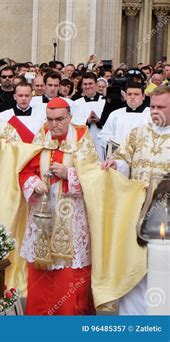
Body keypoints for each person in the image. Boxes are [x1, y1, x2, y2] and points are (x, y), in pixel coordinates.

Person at [19, 97, 98, 315]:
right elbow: (25, 169)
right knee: (41, 268)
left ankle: (68, 316)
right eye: (50, 119)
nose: (54, 125)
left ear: (70, 117)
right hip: (43, 212)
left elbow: (95, 177)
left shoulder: (82, 137)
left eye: (60, 119)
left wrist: (69, 174)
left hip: (71, 212)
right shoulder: (41, 135)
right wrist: (34, 184)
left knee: (69, 270)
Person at [101, 85, 170, 315]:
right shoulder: (138, 133)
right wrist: (115, 164)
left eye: (162, 107)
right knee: (135, 270)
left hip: (166, 217)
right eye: (152, 106)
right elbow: (123, 160)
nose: (155, 111)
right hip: (138, 215)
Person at [98, 82, 151, 158]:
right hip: (119, 157)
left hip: (142, 156)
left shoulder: (151, 114)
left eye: (136, 94)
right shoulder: (115, 114)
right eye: (129, 94)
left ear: (143, 96)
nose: (132, 97)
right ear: (125, 96)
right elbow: (103, 135)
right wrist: (115, 143)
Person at [71, 72, 106, 159]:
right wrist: (87, 121)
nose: (88, 86)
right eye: (85, 84)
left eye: (90, 83)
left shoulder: (105, 101)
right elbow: (73, 123)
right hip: (84, 142)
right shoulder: (76, 103)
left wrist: (99, 121)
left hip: (101, 142)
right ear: (82, 86)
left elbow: (110, 123)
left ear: (96, 85)